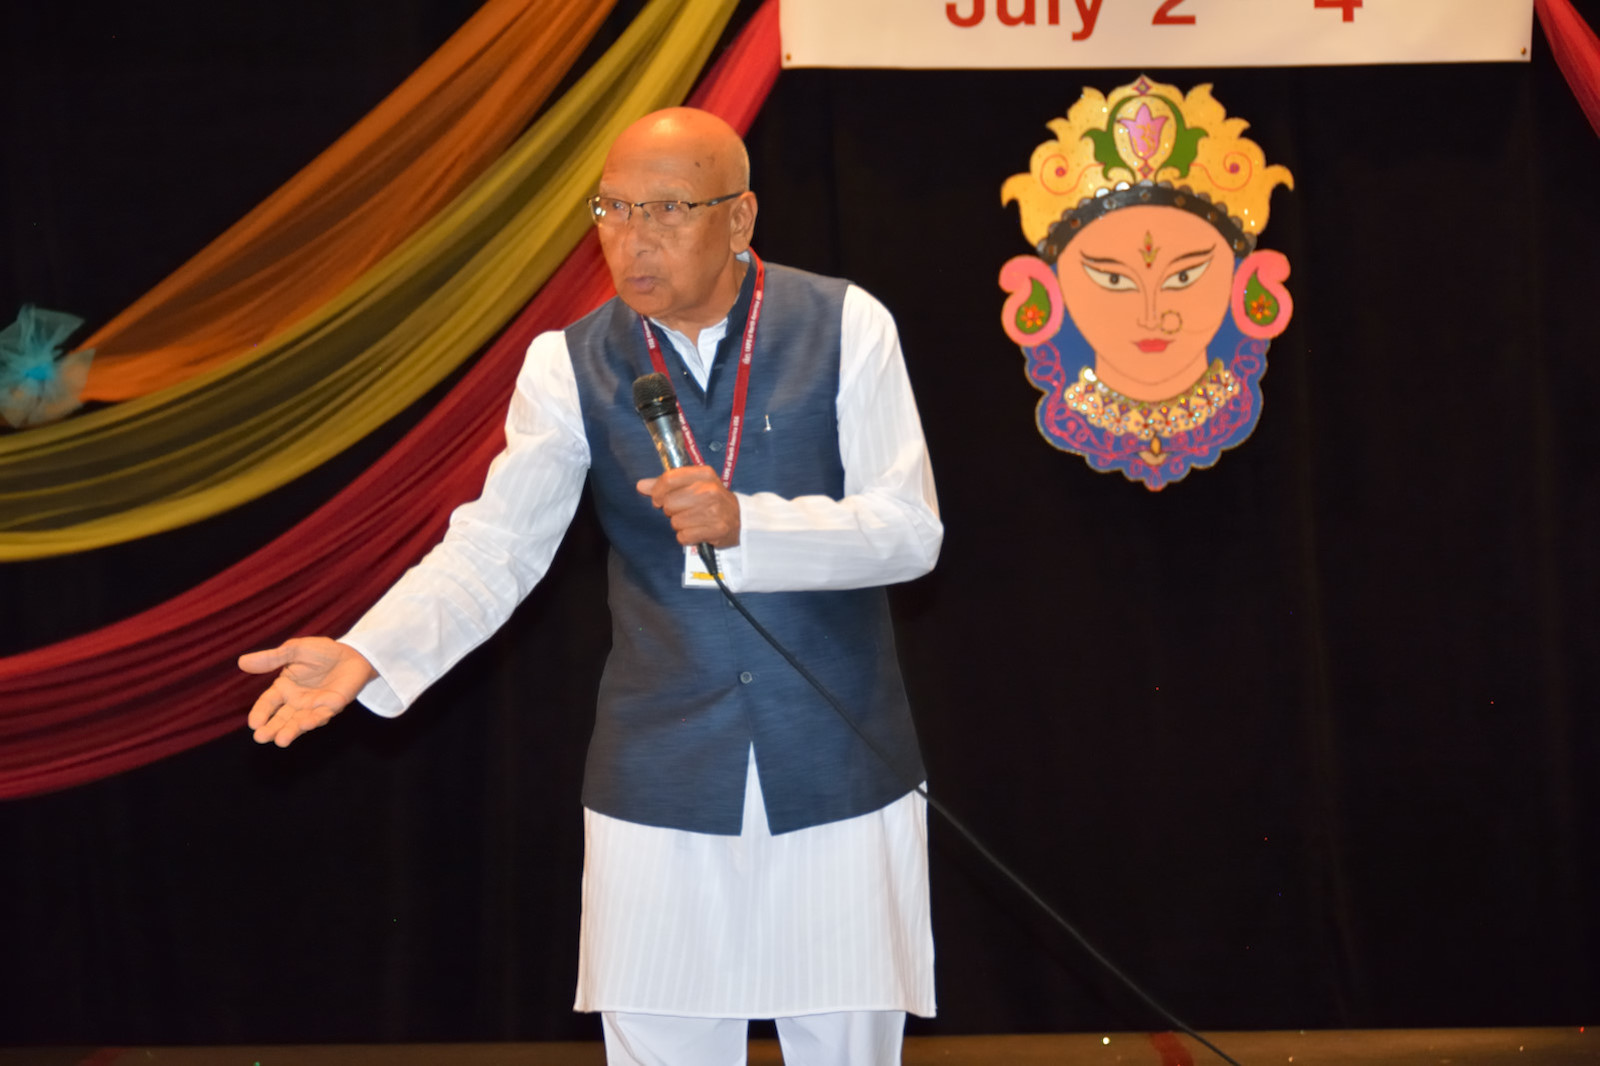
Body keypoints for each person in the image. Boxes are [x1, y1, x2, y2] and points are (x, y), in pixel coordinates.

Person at [240, 107, 942, 1066]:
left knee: (846, 1045)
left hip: (839, 760)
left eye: (666, 209)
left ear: (740, 219)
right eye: (612, 209)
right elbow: (497, 546)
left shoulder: (847, 325)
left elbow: (909, 531)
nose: (631, 238)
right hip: (659, 773)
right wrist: (369, 652)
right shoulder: (567, 363)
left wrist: (752, 525)